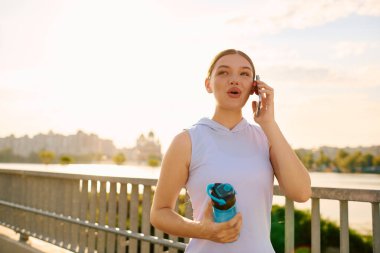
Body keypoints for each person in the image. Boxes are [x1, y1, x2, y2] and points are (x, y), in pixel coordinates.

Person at [150, 49, 312, 252]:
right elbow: (159, 213)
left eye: (244, 74)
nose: (234, 80)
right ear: (208, 84)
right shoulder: (187, 140)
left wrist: (268, 122)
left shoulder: (266, 137)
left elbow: (302, 192)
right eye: (224, 72)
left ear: (254, 86)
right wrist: (203, 230)